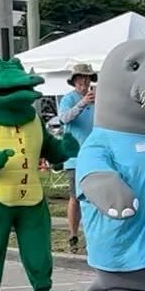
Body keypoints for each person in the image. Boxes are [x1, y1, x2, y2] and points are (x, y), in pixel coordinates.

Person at [57, 62, 97, 252]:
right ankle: (73, 235)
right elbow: (64, 118)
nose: (84, 82)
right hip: (75, 156)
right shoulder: (68, 99)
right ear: (74, 81)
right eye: (80, 78)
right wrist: (82, 103)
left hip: (95, 155)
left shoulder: (97, 100)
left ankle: (93, 234)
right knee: (75, 197)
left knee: (95, 196)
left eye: (87, 78)